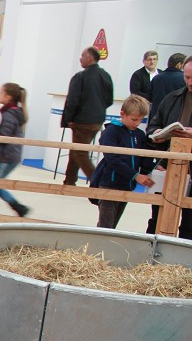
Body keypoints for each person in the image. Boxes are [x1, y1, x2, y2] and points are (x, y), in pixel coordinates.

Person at [144, 61, 192, 239]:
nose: (190, 82)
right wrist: (157, 134)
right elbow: (153, 126)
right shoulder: (172, 98)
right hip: (168, 165)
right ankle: (150, 258)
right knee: (157, 217)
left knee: (190, 224)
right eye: (187, 77)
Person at [92, 95, 154, 230]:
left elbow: (143, 157)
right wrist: (135, 175)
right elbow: (112, 158)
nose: (137, 123)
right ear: (122, 114)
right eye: (134, 119)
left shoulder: (139, 134)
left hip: (126, 185)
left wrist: (155, 166)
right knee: (105, 226)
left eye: (140, 120)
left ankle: (103, 248)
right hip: (110, 184)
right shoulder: (111, 132)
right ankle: (98, 249)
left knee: (112, 224)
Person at [60, 46, 113, 185]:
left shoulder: (80, 77)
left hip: (81, 122)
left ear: (89, 57)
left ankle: (98, 182)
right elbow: (109, 100)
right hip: (97, 121)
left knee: (80, 153)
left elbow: (73, 100)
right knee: (77, 149)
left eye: (82, 55)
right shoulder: (106, 76)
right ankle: (69, 180)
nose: (80, 58)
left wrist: (69, 119)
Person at [0, 82, 30, 218]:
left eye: (1, 93)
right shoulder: (14, 112)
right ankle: (19, 208)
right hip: (11, 156)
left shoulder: (8, 114)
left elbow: (3, 137)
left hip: (5, 156)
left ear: (8, 97)